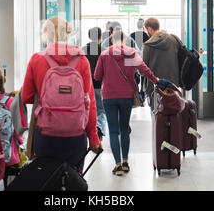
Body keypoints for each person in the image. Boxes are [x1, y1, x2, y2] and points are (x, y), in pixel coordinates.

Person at [21, 16, 102, 172]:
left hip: (46, 134)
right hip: (76, 134)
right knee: (73, 180)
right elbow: (90, 101)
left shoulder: (37, 59)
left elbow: (27, 97)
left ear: (47, 34)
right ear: (68, 34)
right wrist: (93, 137)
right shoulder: (82, 60)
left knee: (46, 180)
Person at [94, 26, 169, 176]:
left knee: (113, 131)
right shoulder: (130, 53)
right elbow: (144, 69)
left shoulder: (104, 55)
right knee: (124, 129)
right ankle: (126, 162)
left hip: (109, 96)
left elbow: (97, 76)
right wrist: (156, 80)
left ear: (112, 40)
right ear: (124, 40)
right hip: (126, 96)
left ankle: (117, 165)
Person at [142, 17, 181, 109]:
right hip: (173, 84)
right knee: (173, 112)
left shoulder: (148, 44)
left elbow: (144, 68)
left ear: (149, 29)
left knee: (156, 115)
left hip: (154, 86)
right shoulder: (174, 39)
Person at [82, 27, 107, 141]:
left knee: (88, 109)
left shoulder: (82, 50)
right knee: (101, 110)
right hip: (101, 85)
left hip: (87, 86)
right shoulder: (104, 50)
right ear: (100, 36)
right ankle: (99, 127)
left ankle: (91, 131)